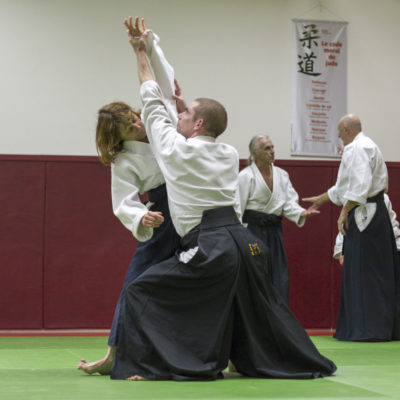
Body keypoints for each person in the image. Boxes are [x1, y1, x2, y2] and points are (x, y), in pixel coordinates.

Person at [110, 16, 336, 381]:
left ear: (196, 125)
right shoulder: (229, 153)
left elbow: (152, 96)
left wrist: (141, 52)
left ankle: (160, 365)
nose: (177, 114)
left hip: (210, 243)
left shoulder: (174, 152)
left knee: (141, 291)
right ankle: (256, 358)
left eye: (183, 114)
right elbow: (170, 105)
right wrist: (176, 92)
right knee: (251, 305)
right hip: (243, 241)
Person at [77, 24, 182, 375]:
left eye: (134, 117)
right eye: (127, 127)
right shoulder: (123, 160)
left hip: (195, 208)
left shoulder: (158, 118)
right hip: (163, 216)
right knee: (136, 282)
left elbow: (162, 80)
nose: (137, 125)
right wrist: (141, 217)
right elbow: (122, 201)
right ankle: (112, 355)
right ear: (118, 137)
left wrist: (146, 46)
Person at [304, 114, 400, 342]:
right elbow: (344, 186)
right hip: (372, 214)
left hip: (365, 215)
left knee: (364, 273)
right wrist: (323, 198)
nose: (337, 135)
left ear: (347, 129)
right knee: (373, 272)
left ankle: (368, 329)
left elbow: (359, 186)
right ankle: (377, 327)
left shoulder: (357, 148)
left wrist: (344, 211)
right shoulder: (367, 145)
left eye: (339, 131)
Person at [239, 135, 319, 304]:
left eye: (272, 147)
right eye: (267, 148)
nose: (272, 151)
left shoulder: (282, 175)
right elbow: (237, 208)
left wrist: (301, 213)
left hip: (274, 232)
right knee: (256, 275)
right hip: (252, 233)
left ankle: (278, 324)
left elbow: (288, 203)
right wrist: (239, 239)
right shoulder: (245, 176)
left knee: (279, 276)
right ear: (254, 152)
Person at [333, 193, 400, 264]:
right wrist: (341, 252)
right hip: (357, 257)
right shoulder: (349, 200)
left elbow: (393, 228)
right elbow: (344, 231)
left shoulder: (382, 199)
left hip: (382, 255)